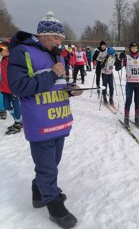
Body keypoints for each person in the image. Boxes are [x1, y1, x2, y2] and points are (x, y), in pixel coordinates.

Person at [7, 12, 83, 229]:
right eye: (56, 39)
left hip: (58, 120)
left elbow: (58, 84)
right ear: (43, 35)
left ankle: (38, 193)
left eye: (61, 39)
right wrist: (51, 74)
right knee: (48, 168)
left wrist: (71, 89)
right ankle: (54, 206)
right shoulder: (23, 52)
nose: (60, 43)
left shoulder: (57, 55)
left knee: (51, 164)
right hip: (39, 123)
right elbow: (18, 87)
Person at [116, 42, 139, 128]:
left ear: (137, 48)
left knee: (137, 101)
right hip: (130, 83)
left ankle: (137, 117)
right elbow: (117, 68)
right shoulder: (126, 58)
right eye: (132, 47)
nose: (134, 49)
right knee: (128, 100)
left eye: (135, 47)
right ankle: (126, 117)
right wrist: (118, 59)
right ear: (130, 48)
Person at [0, 44, 23, 135]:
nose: (0, 53)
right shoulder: (3, 60)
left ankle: (18, 123)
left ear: (7, 50)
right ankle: (19, 121)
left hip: (13, 88)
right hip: (4, 88)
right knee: (6, 106)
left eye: (1, 51)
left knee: (16, 104)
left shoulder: (13, 60)